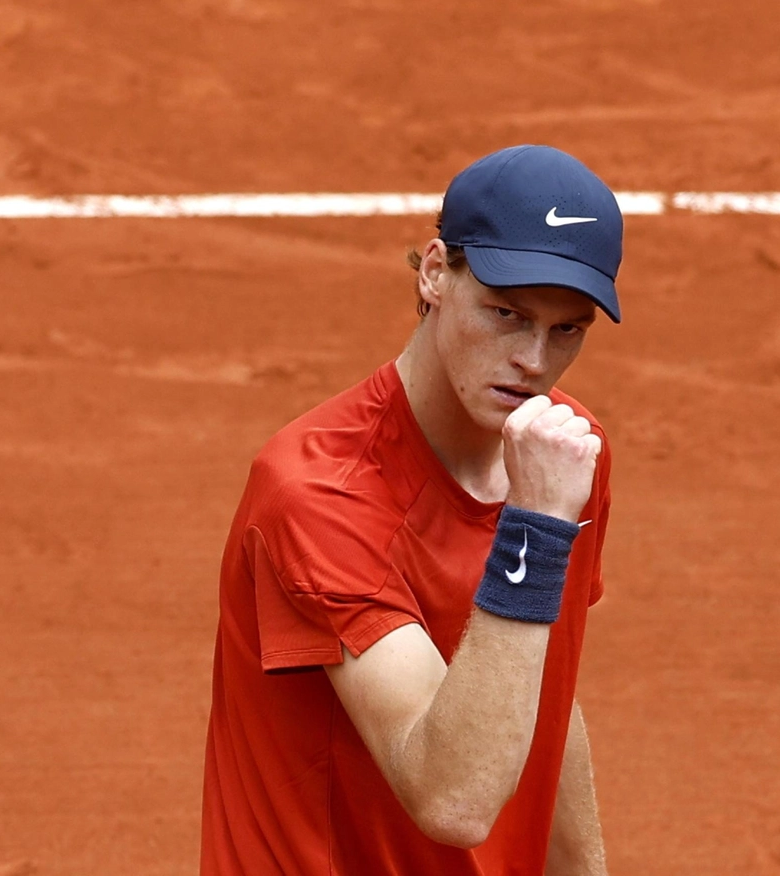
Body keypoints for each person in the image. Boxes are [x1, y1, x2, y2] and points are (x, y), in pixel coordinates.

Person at [201, 145, 624, 875]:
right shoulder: (318, 492)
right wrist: (537, 532)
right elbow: (451, 798)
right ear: (435, 273)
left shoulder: (558, 459)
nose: (532, 361)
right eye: (506, 313)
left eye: (567, 329)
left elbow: (542, 693)